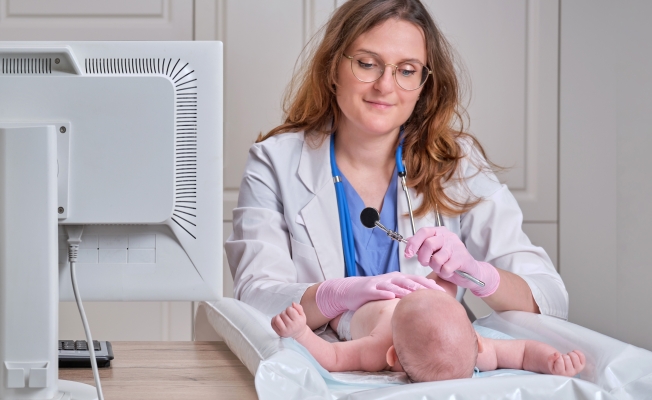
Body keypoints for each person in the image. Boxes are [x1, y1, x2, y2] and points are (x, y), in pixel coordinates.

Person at [225, 0, 567, 329]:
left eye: (406, 70)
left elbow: (550, 299)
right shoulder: (274, 162)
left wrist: (477, 273)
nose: (385, 86)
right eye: (367, 63)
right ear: (333, 68)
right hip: (321, 371)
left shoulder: (455, 162)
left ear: (423, 84)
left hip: (433, 377)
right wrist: (334, 296)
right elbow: (256, 297)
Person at [271, 288, 585, 382]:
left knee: (335, 314)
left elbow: (333, 356)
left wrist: (301, 332)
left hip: (353, 311)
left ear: (393, 357)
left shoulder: (380, 345)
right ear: (474, 339)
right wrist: (551, 361)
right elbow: (525, 352)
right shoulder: (478, 349)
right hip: (379, 293)